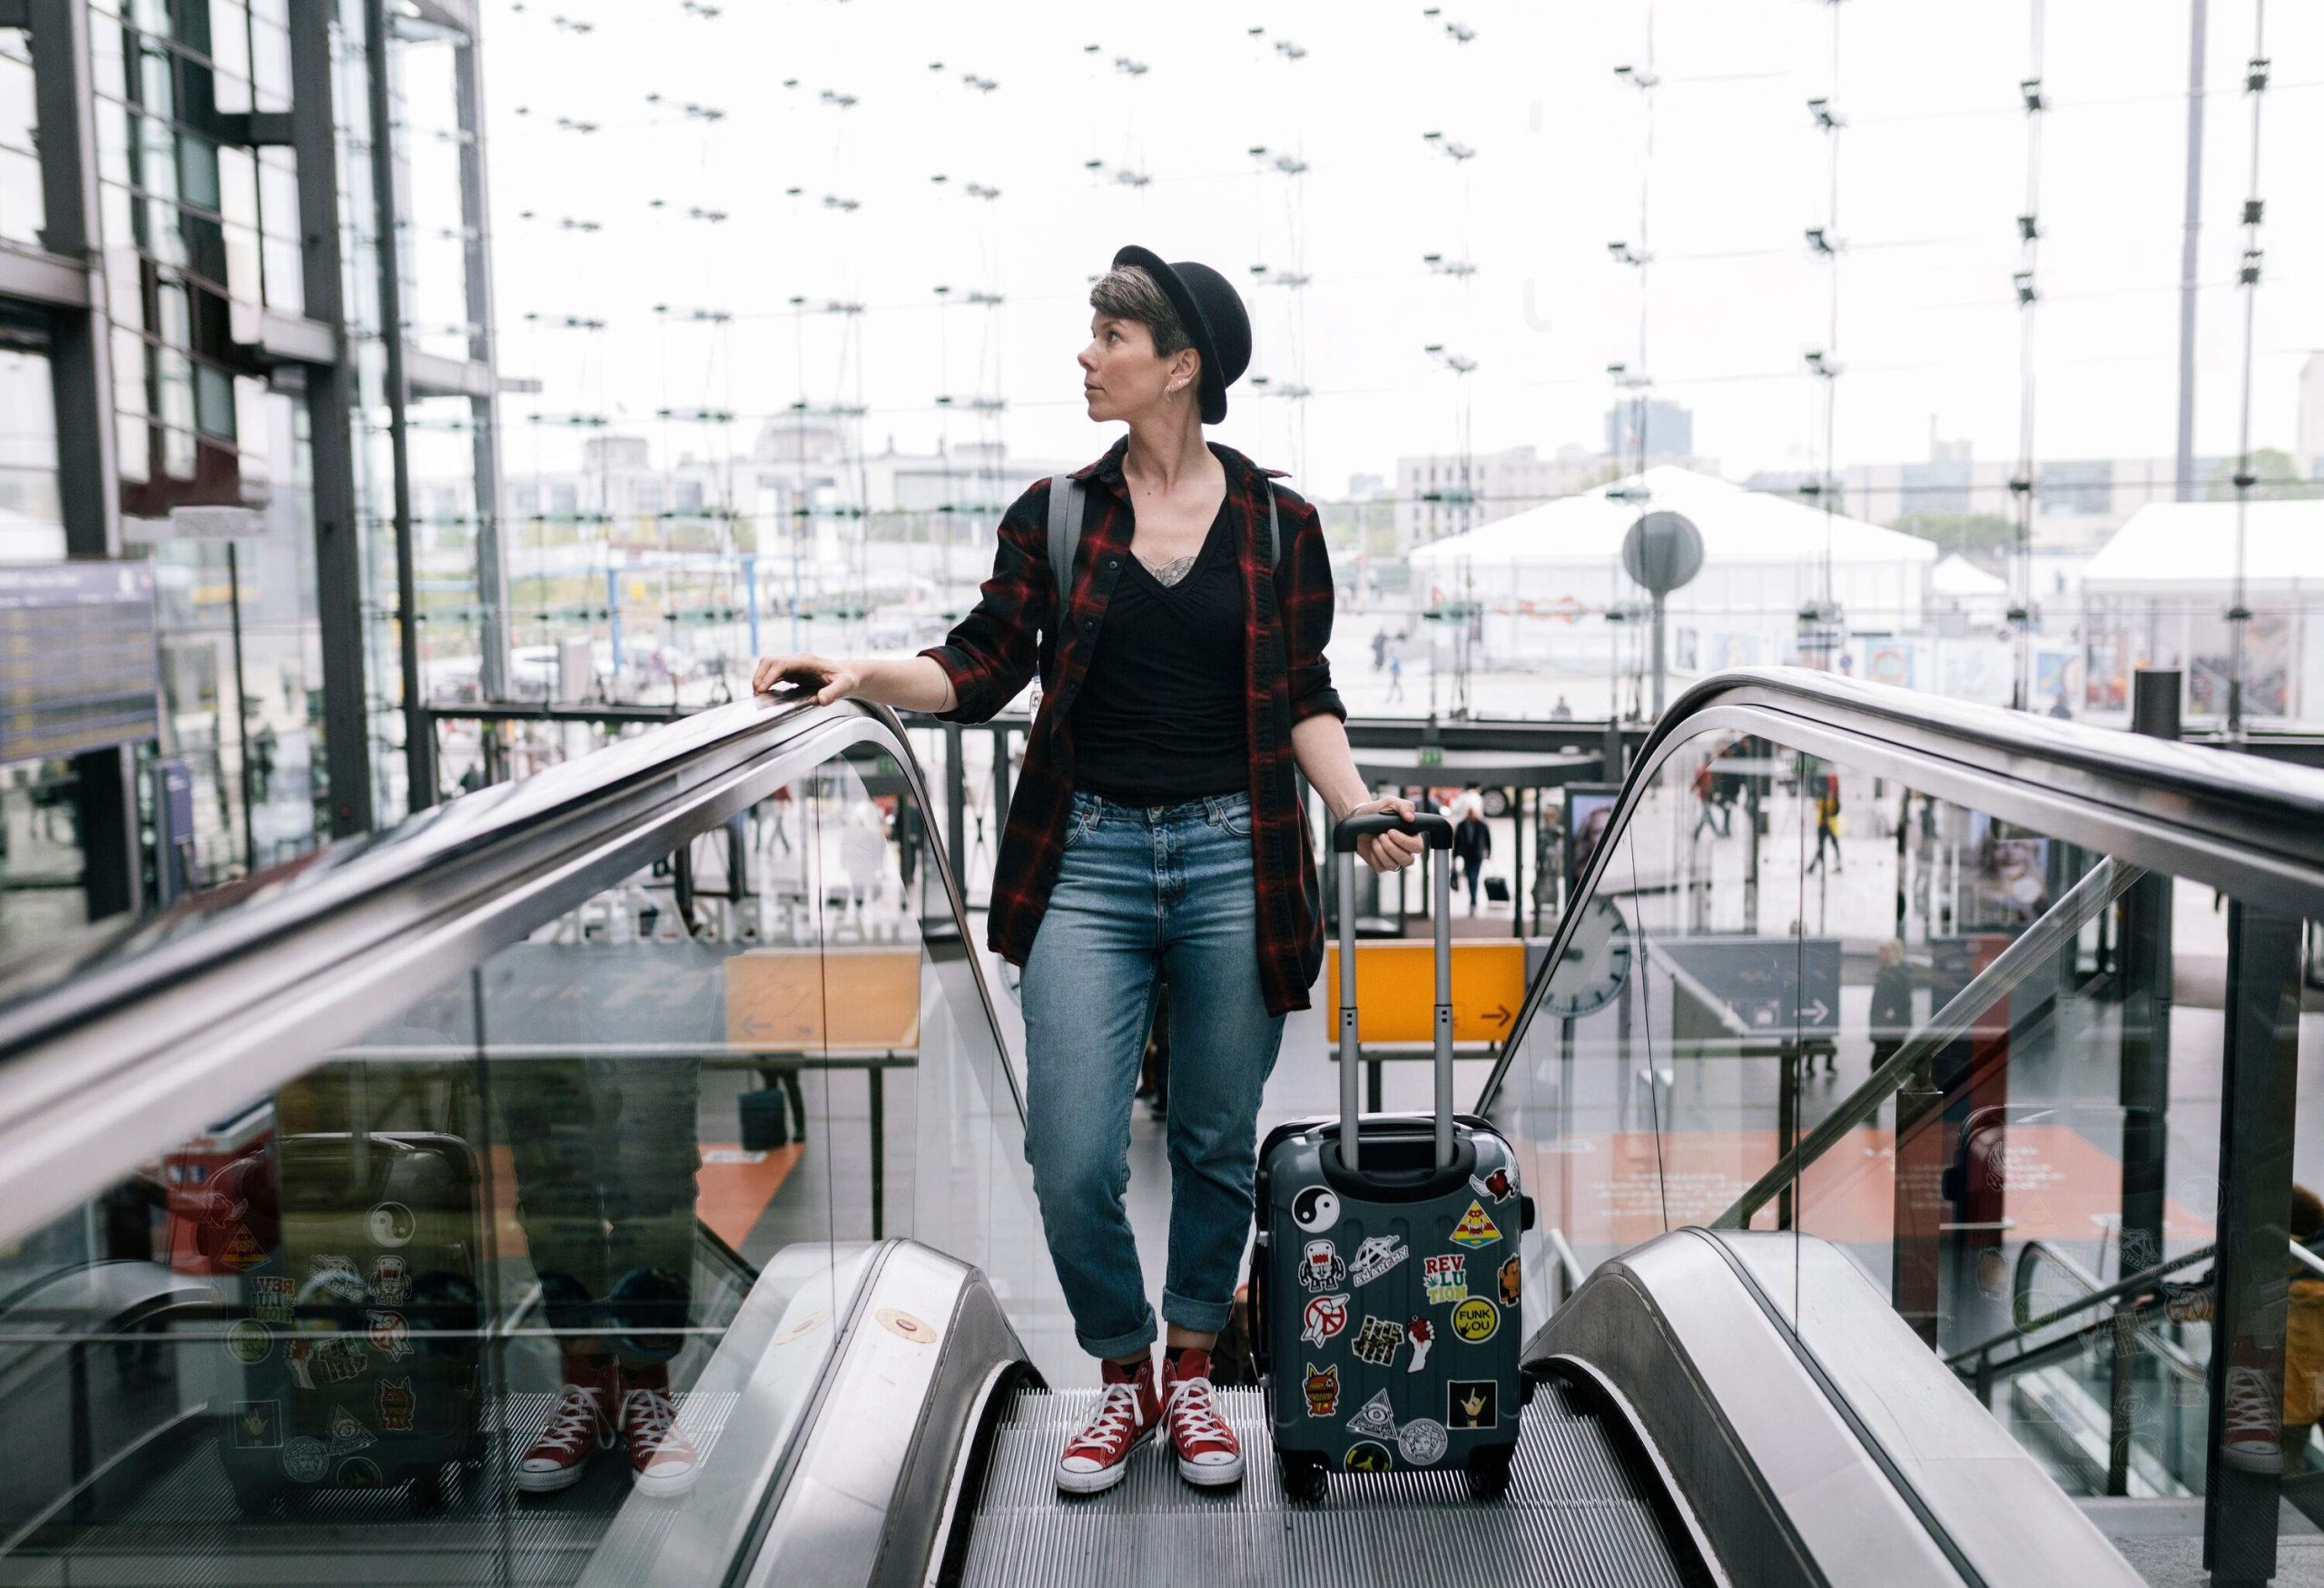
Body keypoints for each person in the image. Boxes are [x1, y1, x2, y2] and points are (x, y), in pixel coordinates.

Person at [746, 247, 1422, 1496]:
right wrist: (858, 671)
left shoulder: (1282, 525)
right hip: (1092, 859)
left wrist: (1358, 804)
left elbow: (1303, 696)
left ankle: (1195, 1377)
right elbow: (977, 665)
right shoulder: (1058, 513)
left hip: (1238, 856)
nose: (1086, 351)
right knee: (1069, 1154)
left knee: (1217, 1139)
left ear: (1181, 366)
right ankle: (1119, 1377)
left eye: (1111, 332)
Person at [1452, 798, 1492, 914]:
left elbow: (1488, 840)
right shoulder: (1462, 825)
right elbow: (1457, 842)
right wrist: (1454, 857)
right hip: (1467, 855)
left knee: (1473, 878)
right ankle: (1473, 900)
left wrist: (1488, 854)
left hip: (1477, 856)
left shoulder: (1481, 825)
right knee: (1470, 878)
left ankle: (1473, 901)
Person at [1808, 769, 1844, 873]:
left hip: (1830, 824)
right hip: (1823, 824)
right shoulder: (1824, 798)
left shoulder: (1833, 799)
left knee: (1833, 844)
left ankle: (1815, 866)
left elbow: (1835, 810)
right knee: (1821, 846)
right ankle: (1814, 866)